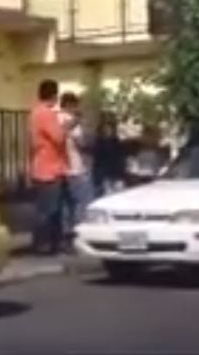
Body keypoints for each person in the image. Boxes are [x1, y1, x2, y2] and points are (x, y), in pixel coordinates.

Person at [28, 79, 69, 255]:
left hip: (40, 165)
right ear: (53, 95)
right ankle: (47, 243)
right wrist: (67, 126)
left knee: (44, 208)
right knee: (51, 210)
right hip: (50, 168)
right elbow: (58, 137)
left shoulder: (34, 112)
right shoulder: (46, 114)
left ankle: (45, 243)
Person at [59, 92, 93, 237]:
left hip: (62, 168)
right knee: (82, 200)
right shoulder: (71, 121)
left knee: (66, 202)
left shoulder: (56, 119)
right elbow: (81, 143)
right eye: (75, 105)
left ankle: (65, 229)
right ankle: (78, 229)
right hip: (75, 167)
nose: (77, 108)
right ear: (70, 105)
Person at [92, 111, 126, 196]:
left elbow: (120, 158)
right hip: (104, 173)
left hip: (114, 172)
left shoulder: (116, 141)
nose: (107, 131)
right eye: (105, 129)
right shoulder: (99, 142)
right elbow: (97, 159)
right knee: (107, 193)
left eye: (109, 129)